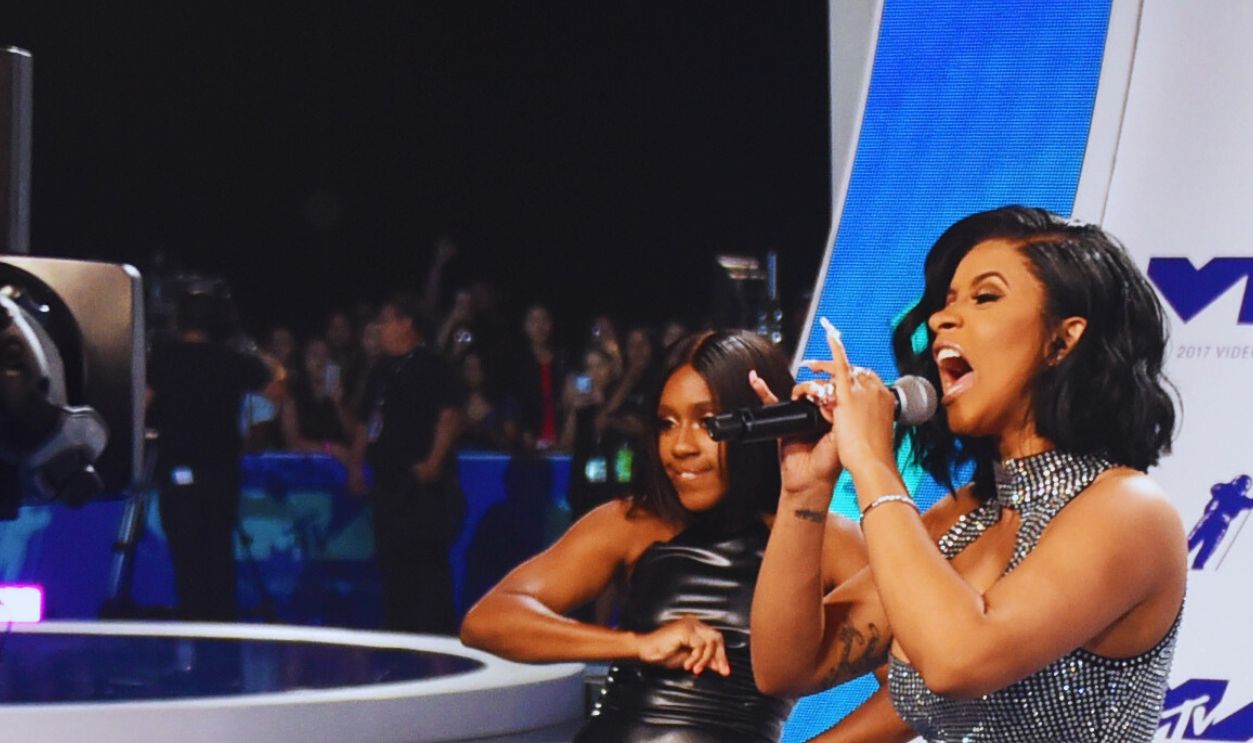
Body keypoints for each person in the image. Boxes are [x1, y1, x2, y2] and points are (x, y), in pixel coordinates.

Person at [749, 206, 1187, 742]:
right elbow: (787, 668)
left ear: (1063, 340)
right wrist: (805, 489)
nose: (940, 320)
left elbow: (957, 659)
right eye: (947, 301)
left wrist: (872, 461)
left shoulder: (1128, 510)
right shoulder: (967, 516)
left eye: (985, 297)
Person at [461, 330, 868, 743]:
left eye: (708, 423)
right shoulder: (632, 521)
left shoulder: (826, 539)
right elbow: (488, 621)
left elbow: (907, 677)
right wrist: (637, 645)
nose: (680, 447)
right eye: (666, 424)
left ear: (763, 421)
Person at [147, 291, 275, 621]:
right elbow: (277, 385)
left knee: (187, 563)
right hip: (221, 475)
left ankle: (194, 628)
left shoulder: (163, 359)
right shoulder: (231, 360)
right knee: (219, 558)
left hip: (178, 473)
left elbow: (141, 405)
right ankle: (221, 637)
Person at [351, 291, 466, 634]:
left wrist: (433, 462)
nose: (379, 328)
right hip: (387, 488)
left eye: (385, 320)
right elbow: (365, 422)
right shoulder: (381, 371)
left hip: (421, 488)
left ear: (406, 324)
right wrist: (356, 465)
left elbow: (450, 415)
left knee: (427, 572)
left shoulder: (433, 365)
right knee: (392, 568)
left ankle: (436, 644)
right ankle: (400, 640)